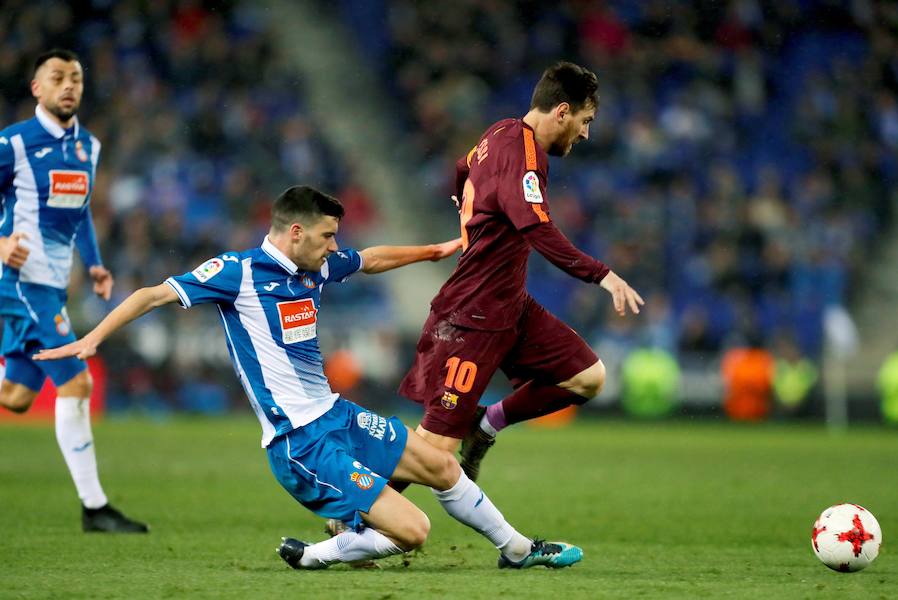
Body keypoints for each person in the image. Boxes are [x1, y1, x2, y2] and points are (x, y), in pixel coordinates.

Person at [35, 186, 583, 570]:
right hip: (298, 443)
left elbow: (367, 259)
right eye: (325, 237)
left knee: (439, 463)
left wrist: (437, 250)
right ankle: (321, 553)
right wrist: (92, 339)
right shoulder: (238, 272)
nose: (332, 248)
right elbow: (151, 294)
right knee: (414, 532)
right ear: (295, 232)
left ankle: (516, 549)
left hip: (337, 415)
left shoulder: (315, 265)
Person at [398, 61, 644, 481]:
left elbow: (462, 169)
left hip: (508, 302)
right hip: (473, 314)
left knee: (587, 377)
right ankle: (355, 516)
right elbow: (537, 228)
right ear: (562, 112)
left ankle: (485, 425)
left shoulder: (498, 133)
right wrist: (603, 275)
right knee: (435, 448)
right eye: (585, 121)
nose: (586, 133)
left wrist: (470, 222)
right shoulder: (524, 153)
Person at [0, 48, 147, 533]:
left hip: (52, 284)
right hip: (20, 283)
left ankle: (94, 508)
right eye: (58, 77)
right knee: (78, 382)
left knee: (18, 396)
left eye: (76, 78)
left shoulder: (90, 147)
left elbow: (79, 210)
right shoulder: (14, 144)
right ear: (37, 88)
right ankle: (95, 507)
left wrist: (97, 264)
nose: (69, 86)